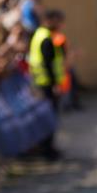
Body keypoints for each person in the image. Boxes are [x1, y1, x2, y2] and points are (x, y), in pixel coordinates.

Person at [27, 9, 66, 159]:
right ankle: (48, 150)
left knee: (46, 116)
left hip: (40, 82)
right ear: (49, 21)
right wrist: (55, 84)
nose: (60, 25)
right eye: (58, 21)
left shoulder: (40, 35)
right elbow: (48, 63)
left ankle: (47, 148)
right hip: (46, 84)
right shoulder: (46, 38)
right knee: (49, 117)